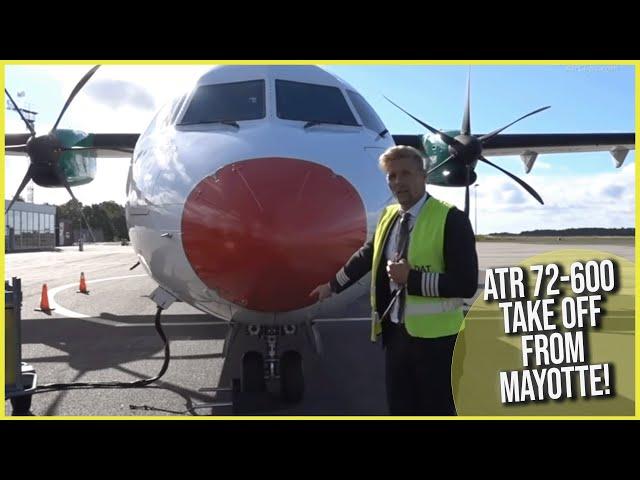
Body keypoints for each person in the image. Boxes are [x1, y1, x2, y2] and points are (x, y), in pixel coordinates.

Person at [310, 145, 478, 415]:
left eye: (406, 174)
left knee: (438, 409)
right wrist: (332, 286)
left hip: (439, 341)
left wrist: (411, 279)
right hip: (397, 335)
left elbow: (466, 283)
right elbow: (368, 255)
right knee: (400, 407)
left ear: (424, 176)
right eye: (391, 176)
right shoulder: (389, 216)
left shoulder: (451, 219)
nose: (398, 182)